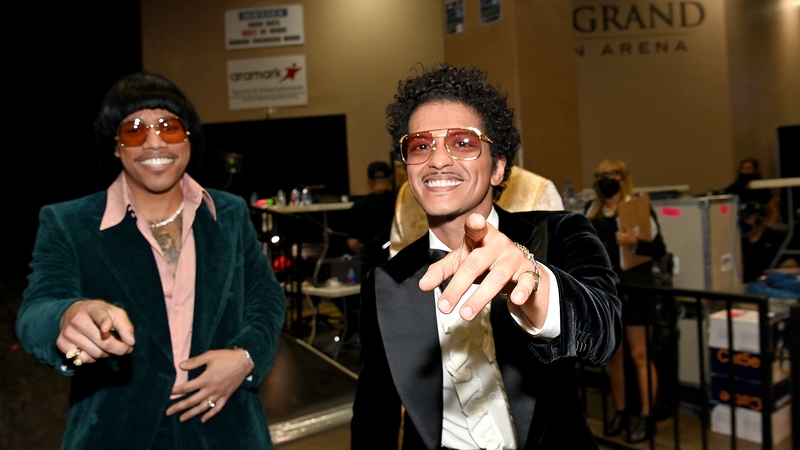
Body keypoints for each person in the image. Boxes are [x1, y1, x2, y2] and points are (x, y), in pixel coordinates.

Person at [351, 64, 622, 449]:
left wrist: (533, 279)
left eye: (463, 143)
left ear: (498, 168)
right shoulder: (385, 280)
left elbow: (604, 335)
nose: (438, 160)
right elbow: (373, 414)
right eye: (421, 145)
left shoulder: (559, 232)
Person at [16, 72, 287, 449]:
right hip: (117, 430)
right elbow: (35, 313)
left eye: (169, 127)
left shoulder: (227, 213)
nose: (154, 141)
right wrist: (67, 315)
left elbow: (266, 297)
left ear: (188, 138)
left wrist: (246, 356)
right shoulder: (68, 223)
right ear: (116, 147)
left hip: (226, 423)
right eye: (134, 130)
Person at [585, 158, 667, 443]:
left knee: (640, 355)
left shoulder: (638, 208)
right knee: (615, 355)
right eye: (603, 174)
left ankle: (647, 416)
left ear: (624, 178)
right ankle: (621, 410)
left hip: (637, 290)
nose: (609, 178)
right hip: (608, 293)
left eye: (614, 174)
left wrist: (635, 243)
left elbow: (659, 248)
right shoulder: (593, 212)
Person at [347, 160, 397, 276]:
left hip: (372, 266)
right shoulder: (402, 202)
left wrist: (367, 249)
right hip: (400, 263)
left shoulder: (359, 206)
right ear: (391, 178)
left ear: (368, 181)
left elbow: (352, 243)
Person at [739, 201, 786, 283]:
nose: (749, 222)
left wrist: (771, 272)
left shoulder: (775, 237)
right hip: (741, 280)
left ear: (759, 219)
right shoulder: (739, 239)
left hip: (767, 281)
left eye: (751, 218)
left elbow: (788, 263)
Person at [725, 158, 780, 224]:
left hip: (758, 224)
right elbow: (724, 208)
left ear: (756, 170)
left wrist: (769, 225)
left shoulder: (762, 189)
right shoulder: (733, 189)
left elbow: (774, 211)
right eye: (743, 169)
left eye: (748, 169)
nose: (745, 172)